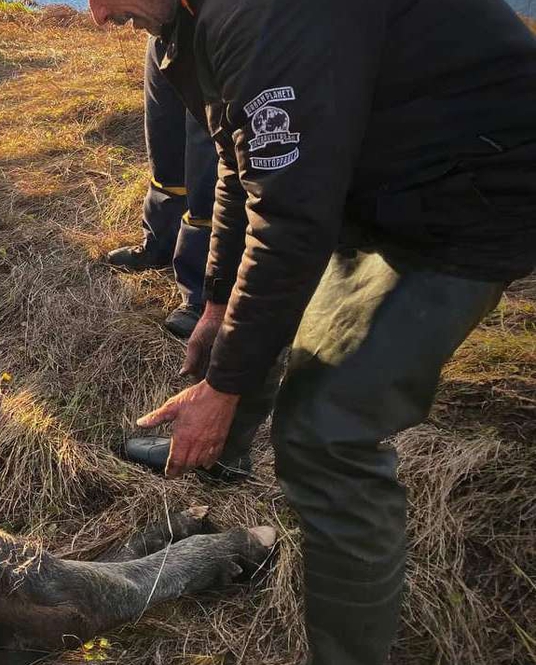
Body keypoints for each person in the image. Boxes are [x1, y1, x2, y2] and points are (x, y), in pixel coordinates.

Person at [88, 0, 536, 663]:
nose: (96, 15)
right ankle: (224, 449)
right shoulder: (193, 24)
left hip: (476, 198)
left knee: (325, 430)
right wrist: (214, 304)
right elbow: (244, 172)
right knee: (246, 327)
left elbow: (292, 224)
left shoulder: (267, 12)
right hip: (379, 187)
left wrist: (223, 386)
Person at [105, 36, 217, 338]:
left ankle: (200, 291)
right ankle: (159, 244)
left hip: (212, 26)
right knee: (164, 144)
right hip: (164, 30)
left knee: (205, 163)